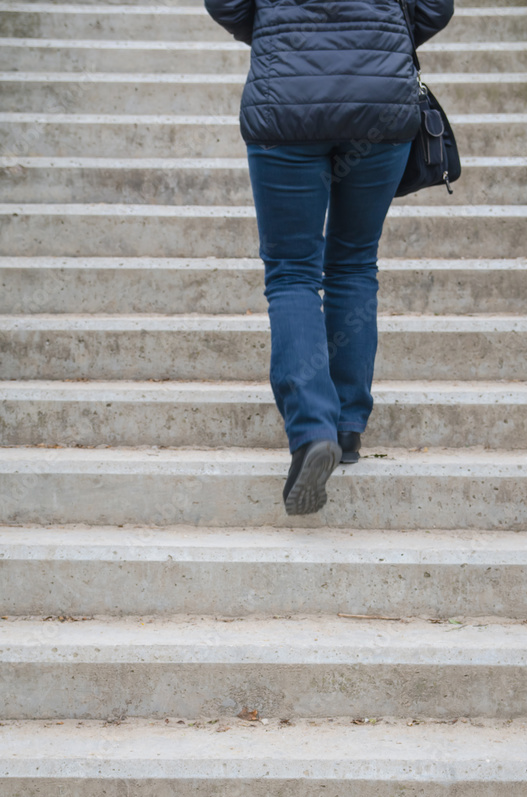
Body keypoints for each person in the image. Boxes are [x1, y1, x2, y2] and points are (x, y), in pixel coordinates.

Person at [204, 0, 454, 514]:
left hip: (287, 98)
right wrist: (382, 39)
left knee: (293, 272)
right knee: (354, 263)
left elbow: (225, 3)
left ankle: (313, 428)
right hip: (380, 99)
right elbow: (436, 7)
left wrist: (275, 30)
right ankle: (347, 426)